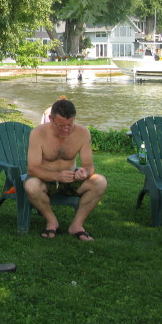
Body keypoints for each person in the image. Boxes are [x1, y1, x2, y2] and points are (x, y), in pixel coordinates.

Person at [25, 98, 107, 241]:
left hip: (71, 179)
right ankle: (52, 221)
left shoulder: (82, 133)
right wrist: (57, 176)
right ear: (50, 119)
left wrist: (85, 172)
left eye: (70, 124)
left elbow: (89, 165)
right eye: (61, 125)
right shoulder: (38, 133)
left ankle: (76, 225)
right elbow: (32, 168)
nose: (66, 129)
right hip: (45, 180)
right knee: (31, 186)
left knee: (100, 182)